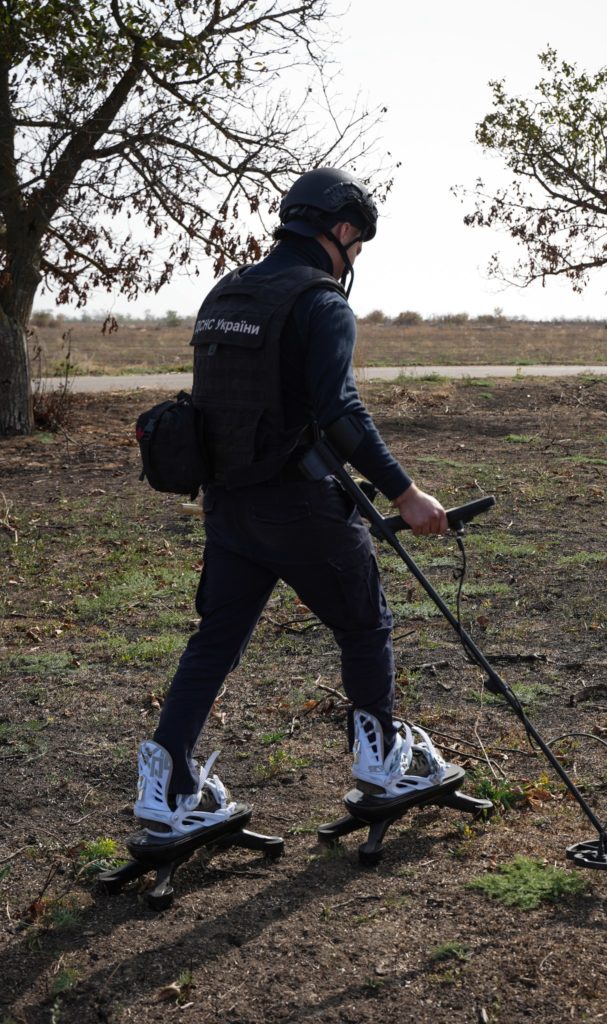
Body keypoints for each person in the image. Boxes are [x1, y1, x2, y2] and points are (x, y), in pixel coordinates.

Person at [133, 167, 454, 842]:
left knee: (214, 643)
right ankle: (381, 767)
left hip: (227, 509)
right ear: (341, 231)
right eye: (358, 246)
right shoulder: (322, 303)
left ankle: (165, 789)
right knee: (366, 625)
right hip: (302, 507)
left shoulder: (227, 293)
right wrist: (407, 493)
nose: (355, 260)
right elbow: (340, 411)